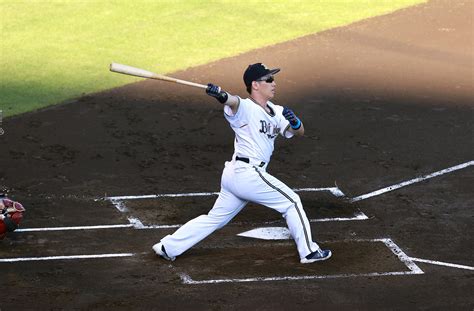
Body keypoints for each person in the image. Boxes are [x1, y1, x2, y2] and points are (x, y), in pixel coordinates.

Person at [152, 63, 331, 264]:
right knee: (292, 202)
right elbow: (232, 101)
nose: (274, 83)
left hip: (236, 176)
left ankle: (167, 247)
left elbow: (299, 132)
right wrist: (220, 95)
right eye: (269, 79)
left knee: (215, 218)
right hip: (248, 173)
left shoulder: (276, 110)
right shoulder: (245, 108)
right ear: (255, 85)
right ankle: (308, 252)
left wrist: (296, 123)